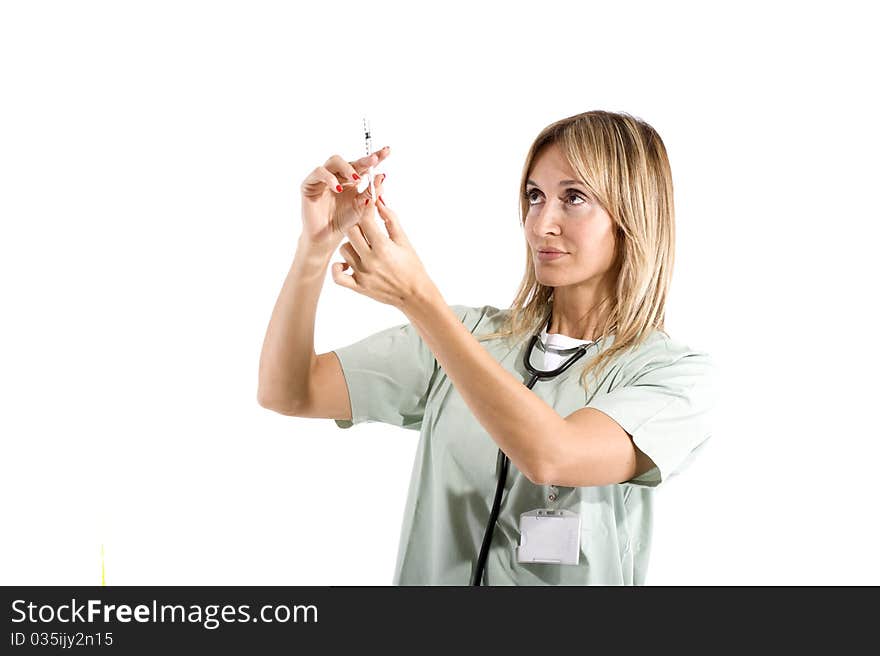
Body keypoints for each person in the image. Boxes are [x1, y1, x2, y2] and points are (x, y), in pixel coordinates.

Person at [257, 110, 719, 586]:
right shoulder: (471, 335)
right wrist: (314, 248)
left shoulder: (674, 376)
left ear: (633, 215)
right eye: (535, 197)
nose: (541, 224)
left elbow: (553, 456)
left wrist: (419, 300)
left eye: (574, 198)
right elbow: (288, 391)